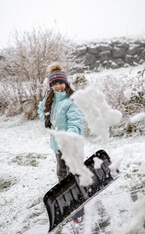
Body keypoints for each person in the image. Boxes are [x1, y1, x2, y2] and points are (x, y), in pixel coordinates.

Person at [38, 62, 84, 223]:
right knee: (61, 173)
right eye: (55, 84)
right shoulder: (50, 101)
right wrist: (46, 120)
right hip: (58, 146)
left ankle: (78, 207)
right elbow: (42, 109)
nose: (58, 86)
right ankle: (67, 200)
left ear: (66, 83)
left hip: (71, 146)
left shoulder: (71, 101)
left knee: (73, 175)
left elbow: (76, 122)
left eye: (60, 83)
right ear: (51, 85)